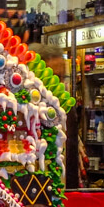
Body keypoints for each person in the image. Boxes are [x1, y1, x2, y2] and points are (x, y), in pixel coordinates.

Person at [28, 43, 80, 188]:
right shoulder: (22, 109)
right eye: (55, 77)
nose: (60, 84)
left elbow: (71, 159)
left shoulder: (66, 110)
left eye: (63, 77)